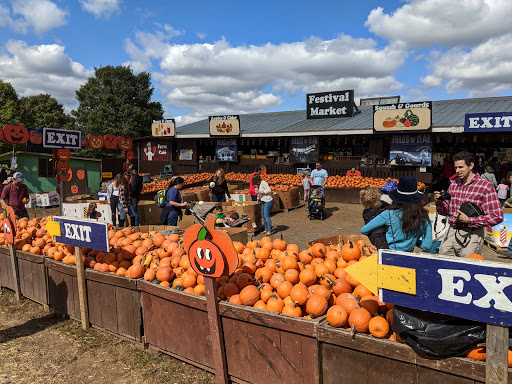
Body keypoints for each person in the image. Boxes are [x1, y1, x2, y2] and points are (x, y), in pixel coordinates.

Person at [435, 151, 503, 257]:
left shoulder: (485, 186)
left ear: (471, 165)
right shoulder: (453, 185)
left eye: (461, 167)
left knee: (467, 268)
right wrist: (439, 202)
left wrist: (470, 220)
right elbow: (444, 211)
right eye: (456, 167)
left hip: (472, 235)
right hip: (452, 232)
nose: (457, 171)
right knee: (444, 265)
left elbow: (497, 216)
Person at [361, 176, 432, 252]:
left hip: (388, 256)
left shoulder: (388, 214)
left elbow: (364, 230)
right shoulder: (423, 216)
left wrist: (386, 233)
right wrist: (414, 240)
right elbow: (427, 246)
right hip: (408, 257)